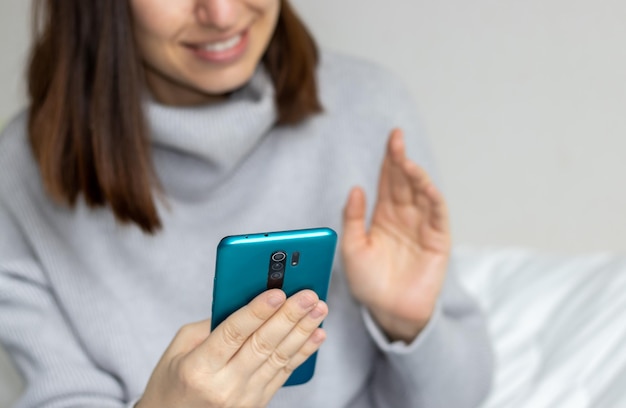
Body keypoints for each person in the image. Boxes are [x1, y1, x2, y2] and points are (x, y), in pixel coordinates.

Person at [0, 0, 493, 407]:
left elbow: (463, 395)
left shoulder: (366, 105)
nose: (220, 14)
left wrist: (407, 323)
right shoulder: (20, 171)